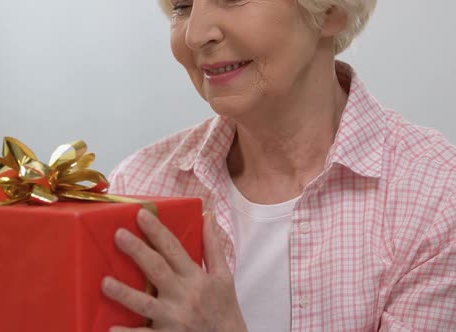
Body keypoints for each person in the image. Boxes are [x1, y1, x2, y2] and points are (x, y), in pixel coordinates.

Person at [100, 0, 456, 331]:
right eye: (182, 6)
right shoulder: (138, 184)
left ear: (330, 10)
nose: (195, 34)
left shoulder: (437, 197)